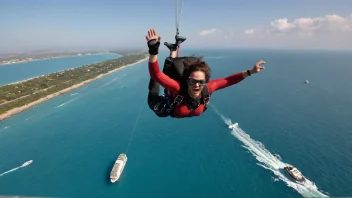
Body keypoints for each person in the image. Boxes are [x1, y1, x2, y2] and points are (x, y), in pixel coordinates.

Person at [146, 29, 266, 118]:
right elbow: (156, 74)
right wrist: (153, 51)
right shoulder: (178, 88)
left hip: (175, 105)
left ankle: (173, 49)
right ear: (188, 80)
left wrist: (250, 72)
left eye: (201, 82)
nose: (197, 85)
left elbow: (228, 81)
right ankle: (173, 50)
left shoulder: (208, 88)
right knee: (155, 88)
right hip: (167, 106)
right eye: (192, 81)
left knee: (167, 75)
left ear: (205, 82)